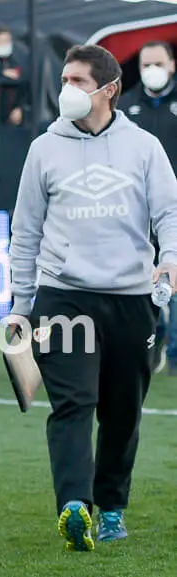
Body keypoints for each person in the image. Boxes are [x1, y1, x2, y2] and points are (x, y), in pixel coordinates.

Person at [9, 44, 177, 551]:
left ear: (109, 89)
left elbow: (170, 213)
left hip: (131, 297)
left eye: (78, 81)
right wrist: (20, 304)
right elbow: (25, 230)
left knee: (122, 411)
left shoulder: (144, 146)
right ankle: (74, 505)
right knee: (73, 403)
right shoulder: (44, 148)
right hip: (63, 297)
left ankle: (112, 507)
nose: (67, 90)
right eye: (64, 79)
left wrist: (168, 258)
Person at [119, 41, 177, 376]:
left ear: (171, 64)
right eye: (145, 64)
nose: (151, 70)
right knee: (141, 284)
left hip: (175, 210)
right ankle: (149, 343)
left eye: (157, 63)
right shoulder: (126, 107)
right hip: (137, 211)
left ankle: (176, 356)